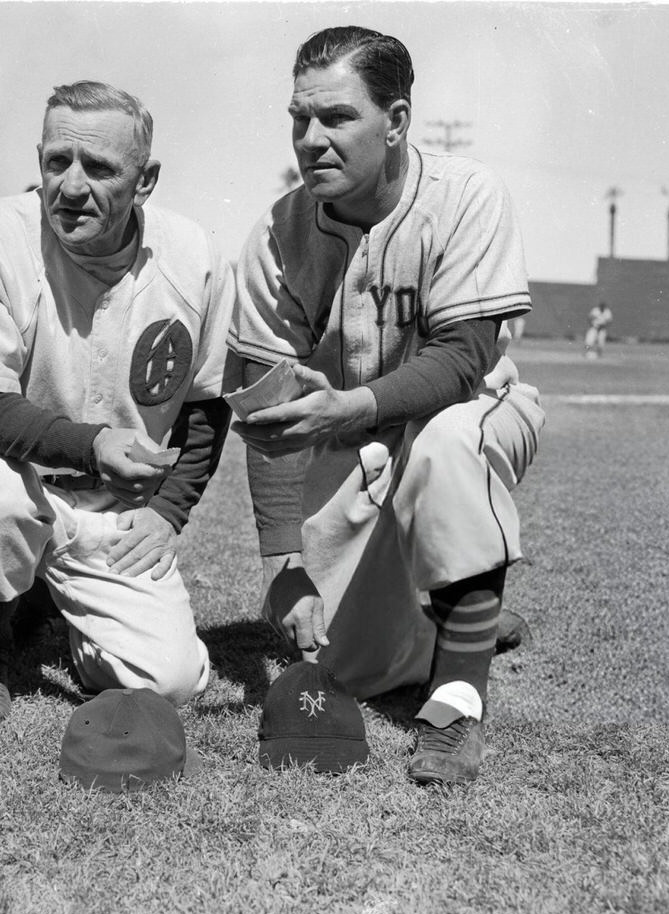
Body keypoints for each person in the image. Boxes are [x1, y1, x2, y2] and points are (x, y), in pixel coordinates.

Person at [230, 26, 544, 785]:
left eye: (336, 118)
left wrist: (353, 406)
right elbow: (268, 408)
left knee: (446, 444)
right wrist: (282, 563)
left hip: (475, 409)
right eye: (299, 119)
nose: (311, 139)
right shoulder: (278, 233)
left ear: (397, 121)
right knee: (354, 666)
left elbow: (464, 358)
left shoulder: (465, 195)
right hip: (353, 449)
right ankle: (447, 620)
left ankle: (455, 703)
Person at [0, 81, 234, 722]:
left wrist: (169, 510)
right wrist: (94, 444)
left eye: (100, 168)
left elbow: (207, 403)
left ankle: (55, 605)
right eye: (58, 161)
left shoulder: (195, 257)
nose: (72, 185)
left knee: (170, 683)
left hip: (112, 504)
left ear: (146, 180)